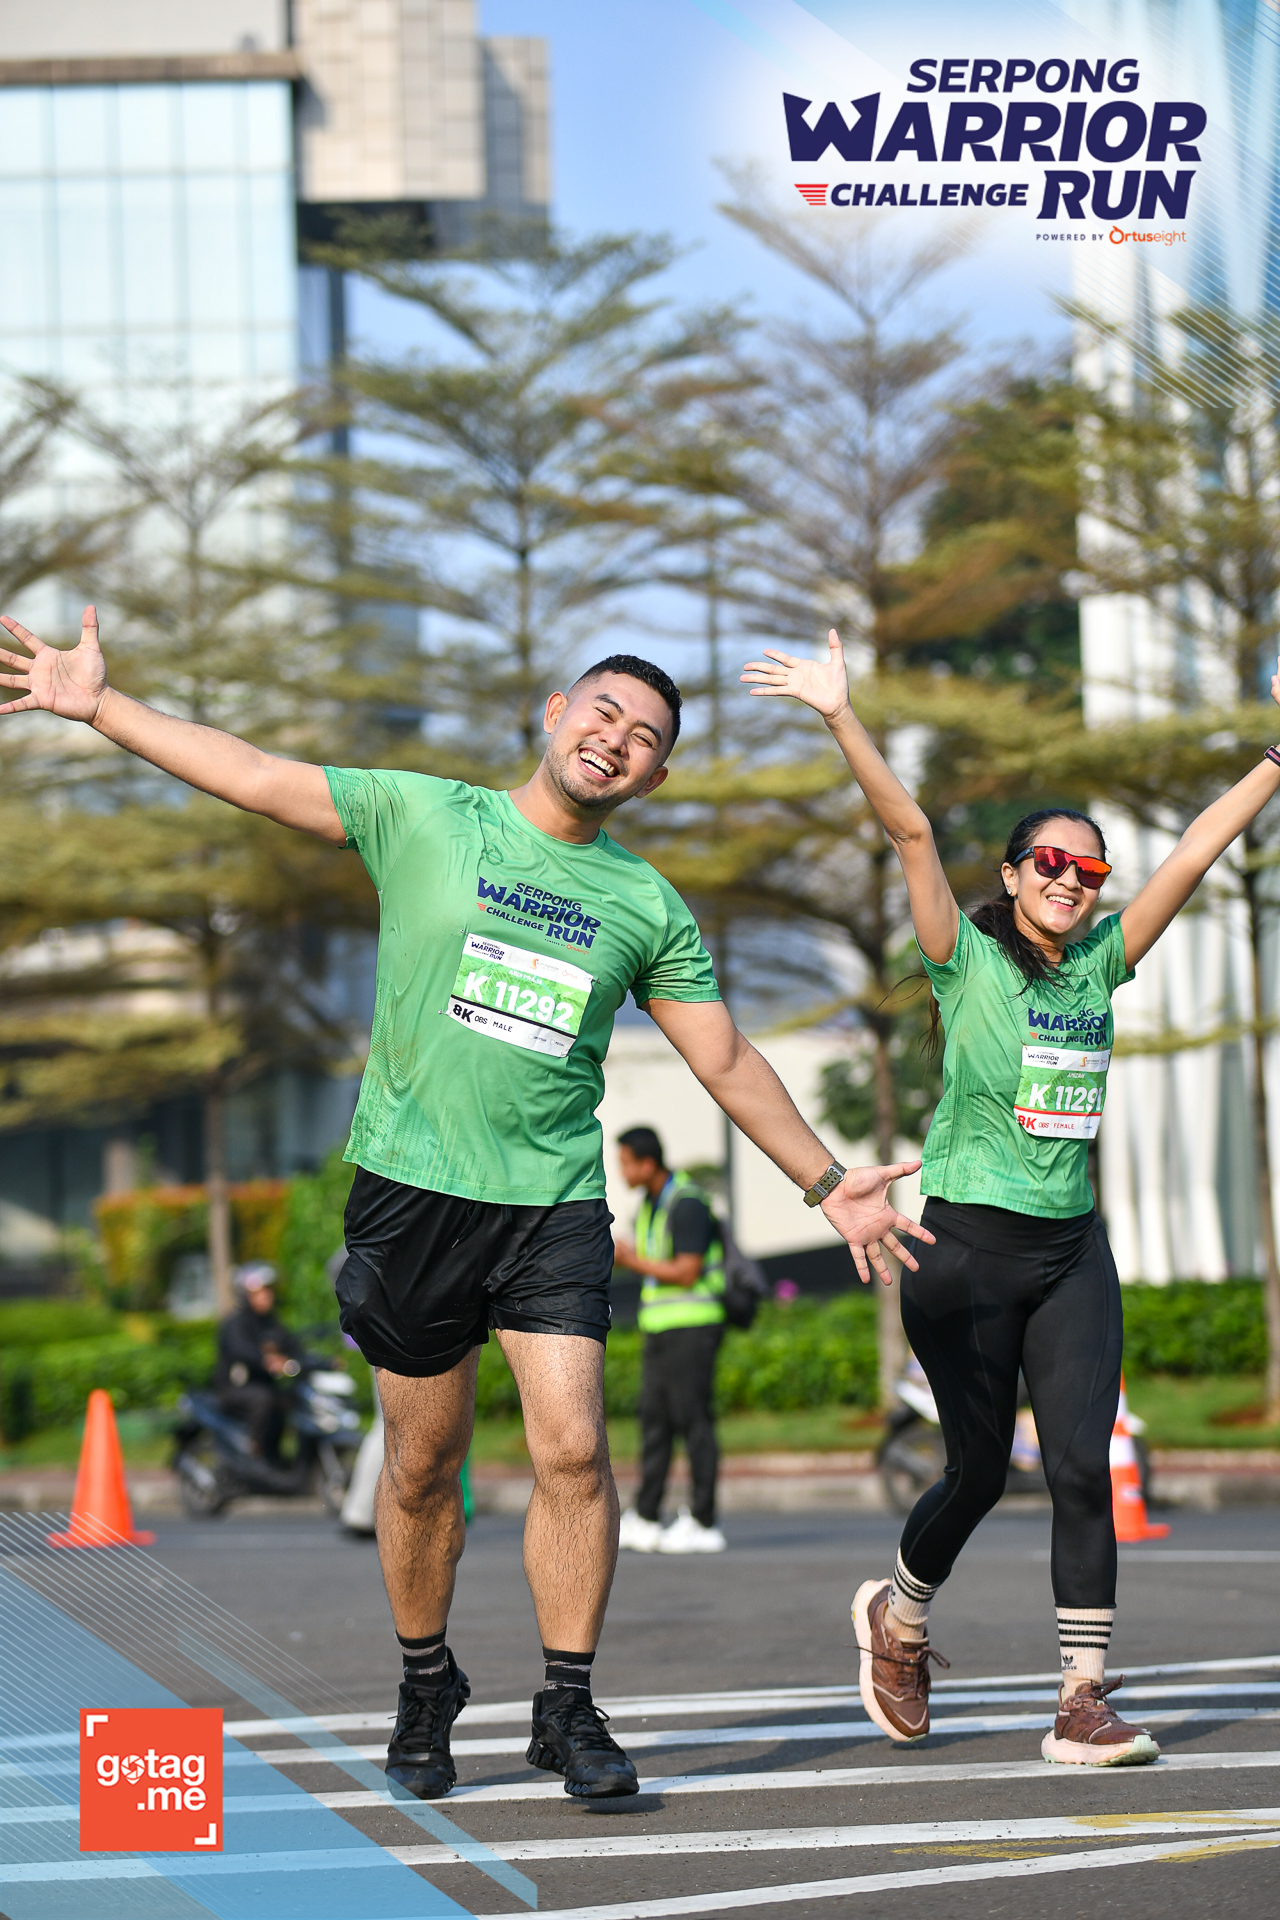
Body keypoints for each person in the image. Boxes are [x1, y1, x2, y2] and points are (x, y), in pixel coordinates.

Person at [0, 606, 929, 1803]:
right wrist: (101, 709)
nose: (616, 740)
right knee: (419, 1467)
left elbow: (726, 1059)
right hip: (412, 1194)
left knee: (573, 1450)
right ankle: (425, 1680)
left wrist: (824, 1179)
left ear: (653, 777)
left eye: (644, 738)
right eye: (602, 712)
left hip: (550, 1205)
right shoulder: (427, 815)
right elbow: (256, 775)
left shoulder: (645, 905)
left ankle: (567, 1703)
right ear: (553, 714)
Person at [743, 628, 1280, 1768]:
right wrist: (840, 715)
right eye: (1048, 862)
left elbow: (1195, 849)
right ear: (1011, 872)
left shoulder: (1103, 962)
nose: (1068, 881)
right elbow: (908, 830)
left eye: (1088, 871)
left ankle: (1081, 1697)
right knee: (979, 1471)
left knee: (1081, 1468)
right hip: (962, 1252)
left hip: (1070, 1252)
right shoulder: (965, 961)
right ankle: (897, 1619)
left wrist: (1278, 757)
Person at [613, 1127, 727, 1554]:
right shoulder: (651, 1204)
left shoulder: (686, 1203)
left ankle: (704, 1521)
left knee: (694, 1420)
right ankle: (646, 1515)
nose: (622, 1172)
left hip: (693, 1326)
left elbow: (687, 1271)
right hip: (662, 1327)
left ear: (647, 1164)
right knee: (654, 1421)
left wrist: (631, 1261)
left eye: (626, 1163)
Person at [215, 1262, 304, 1465]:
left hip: (264, 1386)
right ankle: (252, 1448)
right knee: (263, 1398)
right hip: (233, 1389)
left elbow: (293, 1346)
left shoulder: (271, 1322)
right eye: (261, 1292)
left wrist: (317, 1361)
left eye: (269, 1291)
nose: (267, 1296)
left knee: (289, 1399)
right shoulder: (235, 1323)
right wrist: (267, 1361)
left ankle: (276, 1455)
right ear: (246, 1295)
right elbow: (239, 1350)